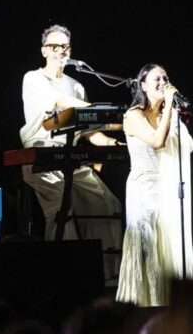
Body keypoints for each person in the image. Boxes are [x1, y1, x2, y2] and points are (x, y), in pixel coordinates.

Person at [20, 24, 123, 282]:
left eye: (65, 46)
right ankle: (64, 277)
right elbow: (59, 104)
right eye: (55, 46)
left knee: (108, 204)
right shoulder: (33, 78)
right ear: (44, 50)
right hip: (42, 157)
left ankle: (109, 275)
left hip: (72, 159)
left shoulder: (76, 86)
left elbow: (89, 133)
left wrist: (114, 143)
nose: (61, 51)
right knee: (63, 209)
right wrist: (101, 111)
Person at [116, 64, 193, 306]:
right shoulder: (133, 115)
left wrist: (171, 113)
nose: (163, 82)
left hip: (168, 193)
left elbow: (189, 145)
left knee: (168, 252)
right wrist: (171, 111)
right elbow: (157, 141)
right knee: (147, 251)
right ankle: (145, 310)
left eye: (166, 78)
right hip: (143, 193)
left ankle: (171, 308)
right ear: (143, 85)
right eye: (157, 79)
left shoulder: (169, 116)